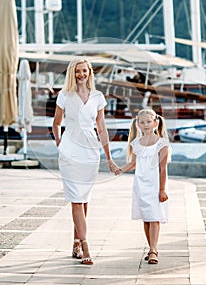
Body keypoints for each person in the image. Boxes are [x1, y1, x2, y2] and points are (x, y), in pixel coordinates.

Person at [52, 58, 119, 265]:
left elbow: (102, 129)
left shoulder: (98, 97)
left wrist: (109, 157)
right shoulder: (64, 96)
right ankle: (86, 244)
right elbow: (56, 124)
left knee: (84, 198)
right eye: (77, 71)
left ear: (90, 72)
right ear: (72, 74)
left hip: (90, 152)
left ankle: (76, 242)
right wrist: (60, 145)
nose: (81, 74)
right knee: (76, 199)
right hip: (70, 152)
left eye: (84, 71)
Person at [117, 109, 170, 264]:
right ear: (138, 124)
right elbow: (133, 164)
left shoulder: (162, 144)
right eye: (142, 122)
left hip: (155, 185)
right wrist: (119, 170)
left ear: (155, 122)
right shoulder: (136, 143)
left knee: (155, 217)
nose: (145, 124)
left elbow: (163, 168)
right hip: (141, 185)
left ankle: (154, 250)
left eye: (148, 121)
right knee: (147, 218)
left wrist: (162, 189)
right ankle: (151, 247)